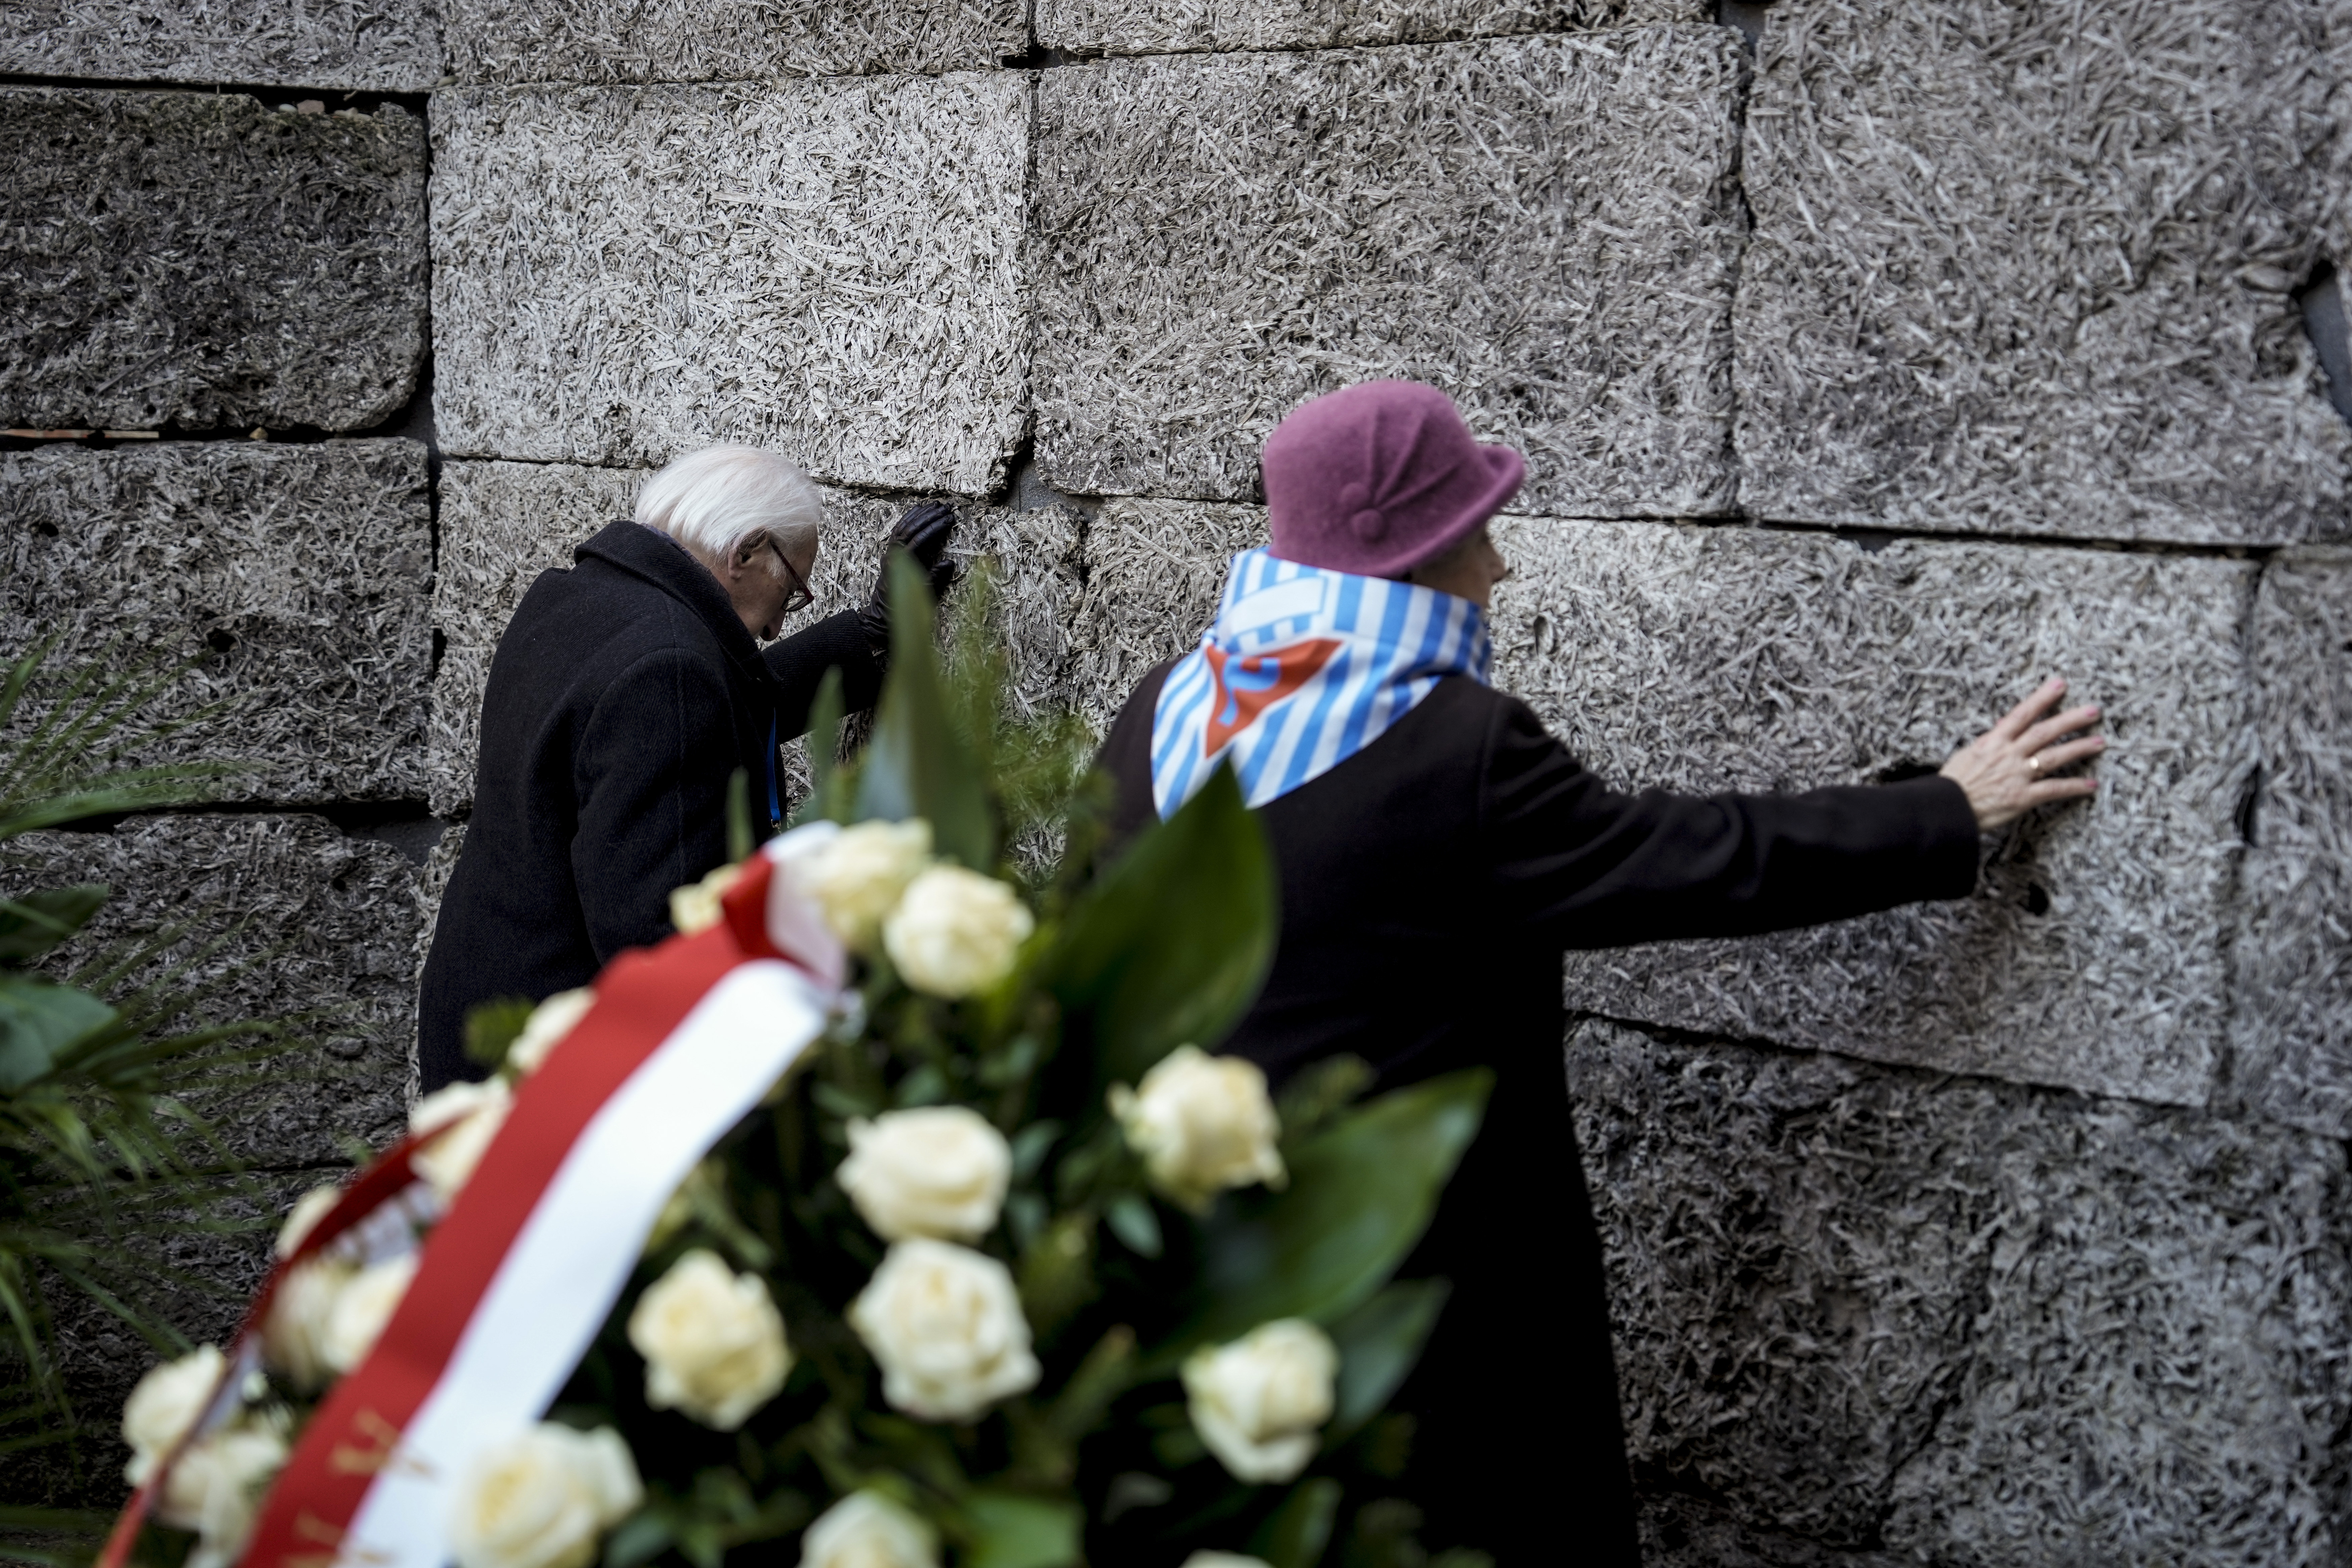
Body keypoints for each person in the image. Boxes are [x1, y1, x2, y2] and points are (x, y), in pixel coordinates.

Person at [1095, 381, 2103, 1561]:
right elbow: (1687, 861)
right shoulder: (1455, 748)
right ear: (1418, 556)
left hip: (1200, 1283)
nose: (1500, 567)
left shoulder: (1159, 713)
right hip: (1428, 1307)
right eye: (1479, 530)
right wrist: (1942, 809)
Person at [417, 446, 958, 1093]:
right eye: (792, 589)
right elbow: (659, 938)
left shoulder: (576, 603)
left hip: (482, 1011)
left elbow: (718, 707)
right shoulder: (668, 670)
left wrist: (875, 632)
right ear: (747, 552)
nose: (777, 624)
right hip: (554, 1071)